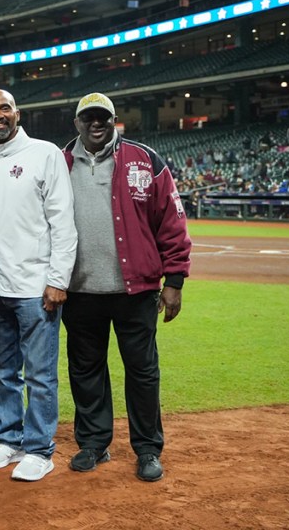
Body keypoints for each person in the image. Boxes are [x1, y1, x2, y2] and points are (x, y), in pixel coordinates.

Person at [61, 92, 192, 482]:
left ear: (114, 120)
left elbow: (172, 222)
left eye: (104, 117)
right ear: (77, 123)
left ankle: (148, 448)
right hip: (79, 290)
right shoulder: (58, 162)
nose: (96, 124)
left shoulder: (145, 159)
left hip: (136, 291)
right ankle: (93, 443)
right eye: (89, 118)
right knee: (86, 371)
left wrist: (175, 281)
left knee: (142, 371)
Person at [0, 89, 77, 482]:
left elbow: (63, 221)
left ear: (17, 112)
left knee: (41, 373)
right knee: (0, 371)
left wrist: (58, 279)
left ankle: (40, 448)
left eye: (4, 108)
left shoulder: (45, 154)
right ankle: (10, 439)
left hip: (35, 286)